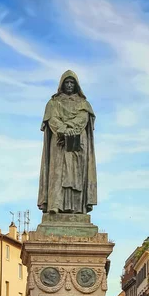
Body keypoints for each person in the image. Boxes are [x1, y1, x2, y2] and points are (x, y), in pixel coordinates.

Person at [38, 70, 97, 214]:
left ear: (76, 85)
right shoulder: (53, 103)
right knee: (57, 172)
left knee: (76, 174)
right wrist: (63, 129)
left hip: (77, 142)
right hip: (59, 141)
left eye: (72, 82)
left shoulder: (84, 103)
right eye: (67, 82)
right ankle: (55, 205)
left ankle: (77, 207)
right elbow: (52, 119)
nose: (69, 85)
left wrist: (70, 128)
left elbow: (83, 118)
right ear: (62, 84)